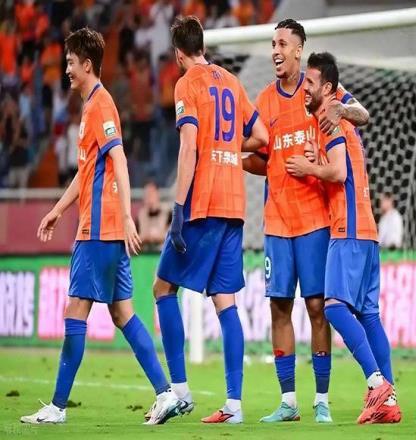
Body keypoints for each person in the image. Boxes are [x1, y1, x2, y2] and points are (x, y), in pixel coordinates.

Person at [20, 27, 181, 426]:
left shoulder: (101, 105)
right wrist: (58, 209)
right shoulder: (92, 105)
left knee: (75, 310)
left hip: (98, 229)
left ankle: (57, 407)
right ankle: (166, 394)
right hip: (105, 228)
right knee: (123, 313)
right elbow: (87, 170)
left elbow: (119, 159)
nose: (67, 70)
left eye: (71, 63)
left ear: (87, 64)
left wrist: (126, 215)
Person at [242, 19, 370, 424]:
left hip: (315, 220)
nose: (275, 51)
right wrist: (235, 159)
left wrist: (341, 109)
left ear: (299, 49)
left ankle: (322, 400)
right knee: (279, 307)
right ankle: (288, 402)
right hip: (277, 223)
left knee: (317, 307)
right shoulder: (264, 100)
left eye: (282, 44)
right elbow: (261, 156)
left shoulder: (318, 91)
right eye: (273, 44)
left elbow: (362, 113)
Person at [150, 16, 268, 425]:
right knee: (224, 301)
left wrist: (178, 209)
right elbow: (262, 137)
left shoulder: (187, 84)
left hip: (203, 203)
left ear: (178, 53)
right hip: (234, 205)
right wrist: (230, 146)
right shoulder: (232, 82)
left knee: (162, 288)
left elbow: (188, 148)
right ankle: (233, 405)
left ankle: (179, 391)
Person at [285, 51, 402, 425]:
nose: (304, 88)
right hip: (366, 230)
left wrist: (309, 166)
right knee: (368, 315)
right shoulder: (339, 114)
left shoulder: (329, 119)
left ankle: (376, 383)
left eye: (310, 83)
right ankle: (389, 402)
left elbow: (338, 173)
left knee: (334, 306)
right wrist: (318, 160)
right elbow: (342, 163)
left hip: (347, 228)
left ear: (328, 88)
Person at [137, 180, 170, 251]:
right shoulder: (141, 215)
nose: (148, 197)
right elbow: (136, 237)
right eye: (146, 194)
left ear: (157, 194)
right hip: (145, 252)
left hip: (162, 251)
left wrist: (158, 237)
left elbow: (173, 235)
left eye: (151, 194)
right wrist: (146, 237)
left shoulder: (167, 212)